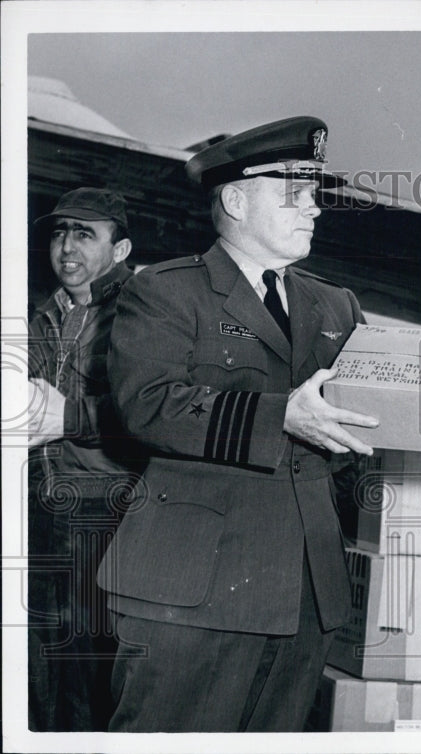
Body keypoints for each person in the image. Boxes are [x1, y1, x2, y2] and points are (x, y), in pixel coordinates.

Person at [97, 116, 379, 732]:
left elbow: (373, 417)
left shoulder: (337, 305)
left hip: (307, 591)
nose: (315, 210)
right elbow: (149, 405)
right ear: (234, 199)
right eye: (297, 194)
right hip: (193, 591)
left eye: (316, 195)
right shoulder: (165, 293)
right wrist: (282, 417)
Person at [26, 188, 143, 731]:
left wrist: (69, 416)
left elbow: (155, 415)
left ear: (120, 251)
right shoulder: (42, 312)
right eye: (58, 233)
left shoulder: (142, 314)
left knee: (94, 666)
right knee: (41, 663)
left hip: (104, 514)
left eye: (84, 234)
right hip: (40, 511)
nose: (66, 247)